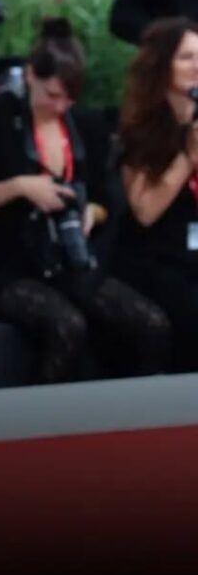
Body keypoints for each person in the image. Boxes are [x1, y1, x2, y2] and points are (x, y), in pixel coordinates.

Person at [0, 19, 170, 383]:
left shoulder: (82, 125)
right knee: (67, 326)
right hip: (5, 265)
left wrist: (91, 212)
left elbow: (105, 198)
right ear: (31, 76)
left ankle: (129, 408)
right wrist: (19, 187)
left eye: (68, 98)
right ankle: (48, 414)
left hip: (69, 261)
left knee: (149, 323)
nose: (60, 106)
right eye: (52, 95)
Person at [111, 18, 198, 368]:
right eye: (187, 57)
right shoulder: (142, 130)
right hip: (155, 259)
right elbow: (145, 211)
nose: (197, 66)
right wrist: (187, 159)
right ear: (162, 66)